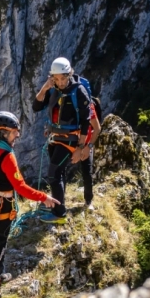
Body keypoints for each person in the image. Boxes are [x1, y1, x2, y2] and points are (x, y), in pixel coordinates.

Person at [0, 111, 59, 289]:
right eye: (13, 132)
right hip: (3, 205)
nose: (17, 135)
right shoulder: (7, 156)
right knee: (1, 240)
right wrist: (44, 197)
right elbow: (21, 188)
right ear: (2, 133)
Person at [32, 57, 92, 224]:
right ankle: (58, 205)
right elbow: (36, 107)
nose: (60, 82)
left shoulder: (79, 91)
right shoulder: (52, 89)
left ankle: (59, 213)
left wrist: (81, 147)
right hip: (54, 137)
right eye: (56, 79)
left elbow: (86, 121)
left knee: (54, 173)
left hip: (71, 139)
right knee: (59, 173)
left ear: (69, 74)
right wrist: (45, 88)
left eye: (63, 78)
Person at [79, 105, 102, 211]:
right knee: (59, 170)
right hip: (71, 144)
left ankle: (88, 201)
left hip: (86, 144)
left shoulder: (88, 105)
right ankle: (59, 201)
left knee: (87, 173)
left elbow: (97, 128)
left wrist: (89, 147)